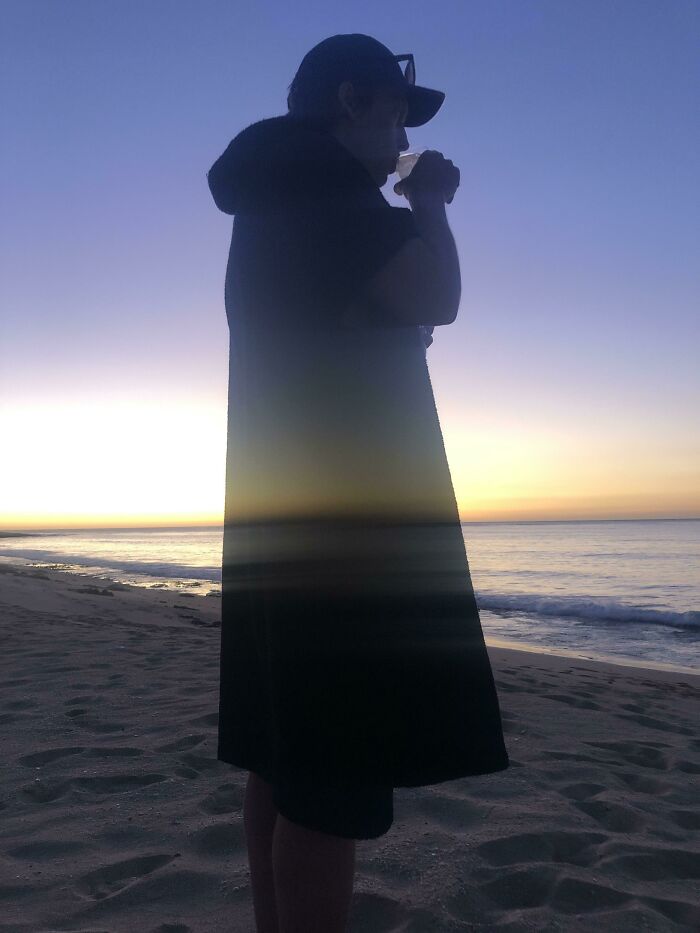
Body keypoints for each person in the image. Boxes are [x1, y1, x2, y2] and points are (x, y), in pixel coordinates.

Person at [207, 34, 509, 933]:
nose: (399, 139)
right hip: (348, 530)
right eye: (395, 114)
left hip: (281, 509)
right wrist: (429, 203)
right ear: (352, 100)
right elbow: (438, 295)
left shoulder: (273, 194)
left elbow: (358, 319)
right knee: (331, 776)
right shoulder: (326, 188)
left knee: (284, 750)